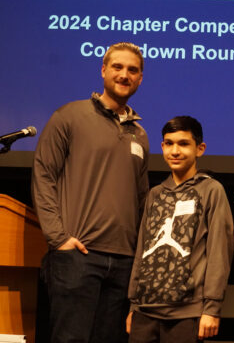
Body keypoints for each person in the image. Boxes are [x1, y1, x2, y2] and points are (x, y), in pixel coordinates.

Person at [32, 42, 148, 342]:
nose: (124, 75)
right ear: (103, 70)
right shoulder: (69, 116)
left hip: (123, 262)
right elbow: (44, 176)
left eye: (132, 70)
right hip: (78, 257)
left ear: (140, 78)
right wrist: (59, 238)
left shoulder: (141, 134)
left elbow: (140, 199)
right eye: (118, 67)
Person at [127, 116, 234, 342]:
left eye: (183, 144)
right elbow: (141, 251)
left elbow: (219, 253)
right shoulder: (155, 194)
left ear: (200, 149)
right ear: (162, 147)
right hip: (145, 310)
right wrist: (133, 304)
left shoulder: (212, 190)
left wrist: (211, 308)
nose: (175, 151)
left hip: (187, 313)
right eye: (169, 143)